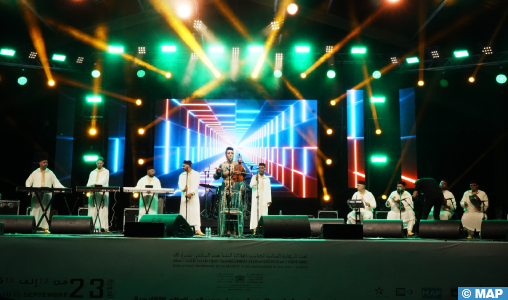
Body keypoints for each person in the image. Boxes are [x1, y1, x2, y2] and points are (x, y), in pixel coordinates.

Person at [25, 157, 65, 233]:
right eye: (43, 162)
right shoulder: (35, 172)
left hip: (47, 194)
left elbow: (56, 182)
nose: (45, 164)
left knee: (45, 209)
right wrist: (29, 189)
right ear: (40, 163)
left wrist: (62, 188)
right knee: (35, 209)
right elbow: (28, 181)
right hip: (36, 193)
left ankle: (44, 227)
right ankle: (34, 225)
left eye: (46, 162)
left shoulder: (50, 173)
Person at [178, 160, 203, 236]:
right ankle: (184, 229)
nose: (182, 167)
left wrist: (191, 193)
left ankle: (197, 230)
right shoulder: (182, 175)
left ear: (188, 166)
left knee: (194, 212)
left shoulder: (196, 174)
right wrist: (183, 189)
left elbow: (196, 184)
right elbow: (180, 184)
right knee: (184, 213)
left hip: (193, 196)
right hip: (184, 196)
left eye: (184, 166)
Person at [86, 157, 110, 232]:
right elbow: (89, 182)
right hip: (93, 193)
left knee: (102, 209)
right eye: (98, 163)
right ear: (96, 163)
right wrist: (88, 187)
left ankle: (103, 227)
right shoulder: (92, 172)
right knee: (93, 208)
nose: (99, 164)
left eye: (100, 163)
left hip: (101, 193)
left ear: (103, 163)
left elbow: (104, 180)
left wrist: (97, 184)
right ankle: (92, 226)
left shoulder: (106, 171)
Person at [249, 163, 272, 233]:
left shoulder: (267, 179)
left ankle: (263, 229)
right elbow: (251, 185)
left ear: (264, 169)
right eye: (259, 168)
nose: (261, 169)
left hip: (264, 198)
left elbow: (269, 190)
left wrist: (269, 200)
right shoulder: (254, 177)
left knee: (263, 213)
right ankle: (254, 229)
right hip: (256, 198)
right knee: (255, 213)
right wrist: (256, 180)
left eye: (262, 168)